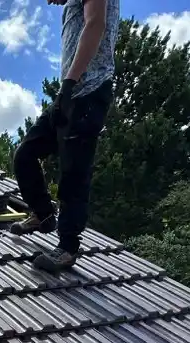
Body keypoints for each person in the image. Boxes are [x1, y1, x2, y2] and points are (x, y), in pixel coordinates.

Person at [10, 0, 120, 272]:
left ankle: (68, 248)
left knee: (73, 173)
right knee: (25, 154)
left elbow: (96, 24)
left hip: (89, 93)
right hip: (70, 95)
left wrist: (69, 83)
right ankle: (44, 214)